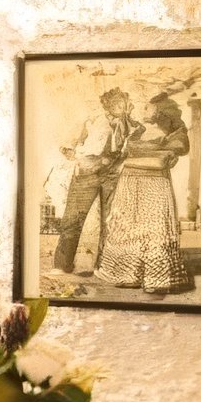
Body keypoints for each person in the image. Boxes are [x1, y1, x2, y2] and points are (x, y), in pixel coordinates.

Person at [89, 93, 195, 296]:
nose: (142, 110)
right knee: (127, 228)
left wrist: (127, 162)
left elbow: (163, 161)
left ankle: (157, 278)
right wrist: (146, 154)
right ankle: (128, 275)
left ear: (161, 110)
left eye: (147, 107)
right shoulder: (139, 130)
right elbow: (122, 151)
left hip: (154, 187)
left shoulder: (176, 133)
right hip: (129, 184)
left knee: (154, 229)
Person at [48, 83, 135, 280]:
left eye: (125, 105)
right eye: (119, 105)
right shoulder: (92, 121)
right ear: (109, 106)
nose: (123, 109)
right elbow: (67, 146)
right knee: (73, 218)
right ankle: (62, 265)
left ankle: (105, 266)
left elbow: (128, 147)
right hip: (86, 173)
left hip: (112, 174)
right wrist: (83, 156)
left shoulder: (128, 124)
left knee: (111, 219)